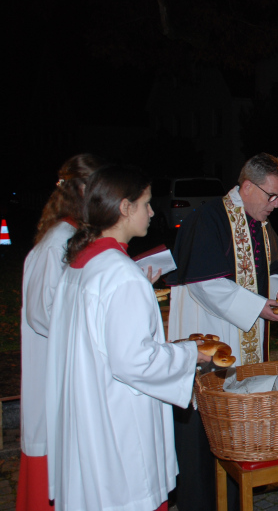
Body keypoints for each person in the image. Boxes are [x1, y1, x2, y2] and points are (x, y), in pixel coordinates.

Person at [44, 165, 209, 511]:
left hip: (88, 417)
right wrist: (190, 354)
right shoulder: (121, 275)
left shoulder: (82, 264)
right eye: (146, 203)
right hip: (117, 428)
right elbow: (134, 361)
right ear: (124, 207)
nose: (152, 212)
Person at [166, 152, 278, 511]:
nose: (276, 204)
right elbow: (203, 284)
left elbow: (272, 269)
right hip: (211, 337)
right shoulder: (208, 219)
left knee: (238, 426)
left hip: (245, 339)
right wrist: (256, 307)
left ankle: (237, 498)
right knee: (204, 426)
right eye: (271, 195)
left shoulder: (259, 222)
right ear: (247, 186)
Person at [17, 154, 106, 511]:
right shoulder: (59, 240)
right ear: (83, 191)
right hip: (51, 375)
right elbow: (42, 313)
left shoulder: (71, 236)